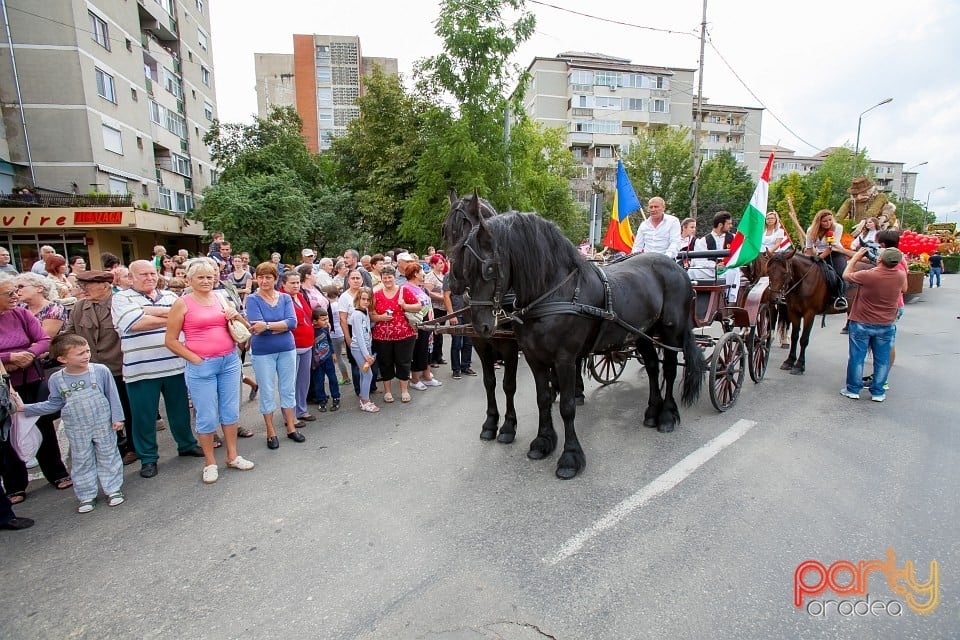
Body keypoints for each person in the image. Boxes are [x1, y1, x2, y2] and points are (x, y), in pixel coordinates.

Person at [165, 259, 254, 483]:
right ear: (189, 280)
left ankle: (232, 455)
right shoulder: (182, 303)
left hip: (229, 361)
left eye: (209, 277)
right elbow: (171, 340)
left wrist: (235, 316)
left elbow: (243, 326)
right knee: (206, 415)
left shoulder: (220, 297)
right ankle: (210, 462)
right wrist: (195, 359)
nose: (206, 281)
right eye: (201, 277)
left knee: (230, 411)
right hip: (202, 365)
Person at [112, 260, 203, 479]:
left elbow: (185, 319)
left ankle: (186, 444)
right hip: (142, 369)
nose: (149, 277)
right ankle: (148, 458)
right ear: (131, 277)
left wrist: (150, 312)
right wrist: (171, 316)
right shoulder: (120, 298)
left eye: (152, 273)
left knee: (180, 410)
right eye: (143, 274)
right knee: (143, 417)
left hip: (174, 365)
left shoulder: (171, 297)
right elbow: (135, 324)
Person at [20, 334, 126, 513]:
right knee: (81, 459)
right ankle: (86, 495)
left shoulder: (100, 371)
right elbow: (54, 403)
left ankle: (113, 489)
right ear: (62, 358)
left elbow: (112, 395)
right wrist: (25, 409)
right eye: (79, 354)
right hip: (76, 427)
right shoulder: (56, 379)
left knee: (109, 455)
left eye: (87, 351)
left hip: (102, 422)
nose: (86, 356)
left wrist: (117, 417)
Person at [0, 274, 72, 503]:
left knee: (43, 425)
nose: (16, 296)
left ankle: (57, 473)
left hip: (30, 377)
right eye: (9, 293)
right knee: (6, 433)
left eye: (16, 290)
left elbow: (43, 339)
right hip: (4, 385)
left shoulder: (21, 313)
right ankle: (14, 485)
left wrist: (28, 355)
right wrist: (9, 356)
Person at [63, 270, 138, 465]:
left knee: (126, 409)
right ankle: (113, 445)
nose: (83, 290)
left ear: (105, 286)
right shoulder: (80, 307)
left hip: (118, 368)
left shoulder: (120, 304)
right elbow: (70, 334)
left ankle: (133, 446)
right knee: (100, 412)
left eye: (87, 286)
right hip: (91, 371)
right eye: (81, 286)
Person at [244, 262, 305, 449]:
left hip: (287, 348)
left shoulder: (286, 298)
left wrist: (269, 326)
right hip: (263, 352)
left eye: (268, 277)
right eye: (261, 277)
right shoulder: (253, 299)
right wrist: (280, 326)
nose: (264, 281)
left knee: (288, 388)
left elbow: (292, 323)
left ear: (275, 279)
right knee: (268, 391)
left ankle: (291, 427)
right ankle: (270, 431)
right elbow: (256, 326)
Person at [840, 247, 907, 402]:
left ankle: (853, 389)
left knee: (857, 357)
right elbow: (904, 289)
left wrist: (856, 257)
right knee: (882, 359)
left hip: (862, 321)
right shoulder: (900, 275)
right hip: (886, 323)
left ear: (879, 260)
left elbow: (845, 275)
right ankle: (878, 391)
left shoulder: (868, 275)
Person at [370, 265, 420, 403]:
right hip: (382, 336)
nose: (387, 280)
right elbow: (371, 314)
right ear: (381, 279)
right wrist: (381, 317)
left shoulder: (404, 290)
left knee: (403, 362)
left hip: (404, 335)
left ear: (395, 278)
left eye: (389, 277)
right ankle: (387, 392)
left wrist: (405, 306)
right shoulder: (376, 295)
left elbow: (418, 306)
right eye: (384, 278)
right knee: (385, 363)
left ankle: (404, 390)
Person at [280, 271, 316, 426]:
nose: (296, 286)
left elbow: (308, 316)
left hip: (307, 345)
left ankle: (301, 409)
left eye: (297, 282)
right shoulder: (281, 299)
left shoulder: (300, 296)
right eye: (292, 283)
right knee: (289, 382)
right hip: (292, 346)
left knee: (303, 380)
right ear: (283, 284)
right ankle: (290, 415)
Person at [402, 262, 443, 391]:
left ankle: (427, 375)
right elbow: (406, 309)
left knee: (427, 349)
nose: (423, 274)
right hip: (417, 325)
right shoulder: (406, 288)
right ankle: (414, 379)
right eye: (421, 272)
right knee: (417, 351)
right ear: (415, 274)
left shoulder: (422, 288)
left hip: (428, 324)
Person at [804, 209, 849, 309]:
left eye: (830, 220)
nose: (828, 223)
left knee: (840, 273)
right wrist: (809, 260)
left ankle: (841, 297)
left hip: (835, 253)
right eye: (825, 221)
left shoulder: (837, 227)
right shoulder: (810, 230)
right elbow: (809, 248)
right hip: (819, 254)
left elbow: (831, 247)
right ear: (819, 221)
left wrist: (819, 258)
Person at [442, 271, 476, 379]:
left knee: (468, 342)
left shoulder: (471, 274)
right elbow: (446, 296)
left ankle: (465, 366)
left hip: (470, 314)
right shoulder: (450, 276)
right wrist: (451, 315)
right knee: (457, 343)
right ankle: (456, 369)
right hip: (457, 313)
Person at [348, 287, 377, 412]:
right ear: (358, 299)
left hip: (366, 346)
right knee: (367, 374)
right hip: (359, 348)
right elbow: (359, 336)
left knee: (363, 373)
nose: (365, 301)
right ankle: (365, 400)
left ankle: (363, 397)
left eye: (368, 299)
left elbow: (367, 329)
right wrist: (366, 355)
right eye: (363, 299)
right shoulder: (356, 315)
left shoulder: (364, 311)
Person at [338, 270, 365, 395]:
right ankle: (359, 390)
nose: (355, 280)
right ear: (348, 280)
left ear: (362, 279)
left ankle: (370, 386)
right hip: (351, 329)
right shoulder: (344, 297)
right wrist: (347, 339)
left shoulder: (366, 293)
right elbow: (342, 319)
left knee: (368, 359)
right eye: (353, 278)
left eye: (358, 278)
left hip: (366, 329)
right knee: (355, 362)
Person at [310, 308, 340, 413]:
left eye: (326, 319)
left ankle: (336, 397)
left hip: (328, 358)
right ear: (314, 321)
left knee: (333, 379)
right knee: (319, 381)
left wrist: (333, 353)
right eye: (323, 319)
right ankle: (321, 400)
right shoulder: (311, 331)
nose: (326, 321)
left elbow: (329, 341)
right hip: (317, 361)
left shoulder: (325, 329)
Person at [324, 284, 351, 386]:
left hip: (335, 334)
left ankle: (345, 377)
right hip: (343, 331)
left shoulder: (330, 306)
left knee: (338, 357)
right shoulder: (340, 303)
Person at [424, 254, 447, 367]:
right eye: (440, 263)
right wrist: (441, 297)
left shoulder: (443, 275)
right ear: (433, 264)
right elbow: (427, 292)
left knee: (440, 332)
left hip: (443, 307)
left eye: (443, 262)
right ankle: (432, 358)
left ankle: (439, 356)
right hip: (435, 307)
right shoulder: (430, 276)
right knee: (435, 332)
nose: (442, 265)